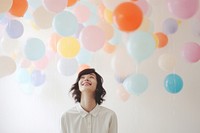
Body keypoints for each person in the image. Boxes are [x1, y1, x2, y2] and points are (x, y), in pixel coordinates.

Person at [61, 68, 118, 133]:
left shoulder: (110, 116)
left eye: (91, 77)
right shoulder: (66, 117)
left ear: (97, 86)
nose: (86, 79)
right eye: (82, 77)